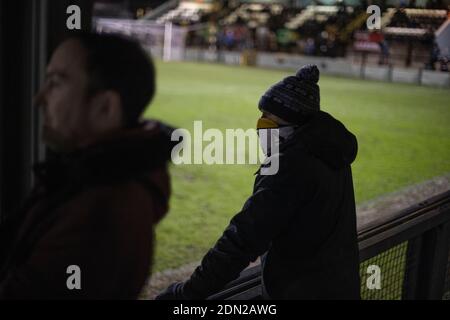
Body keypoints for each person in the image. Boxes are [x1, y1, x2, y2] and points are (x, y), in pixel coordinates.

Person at [157, 65, 361, 300]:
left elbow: (242, 240)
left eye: (269, 118)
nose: (261, 124)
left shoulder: (290, 164)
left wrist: (185, 294)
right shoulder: (329, 150)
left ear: (293, 123)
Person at [0, 32, 174, 299]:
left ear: (105, 108)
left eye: (55, 84)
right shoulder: (85, 176)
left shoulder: (100, 211)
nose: (38, 99)